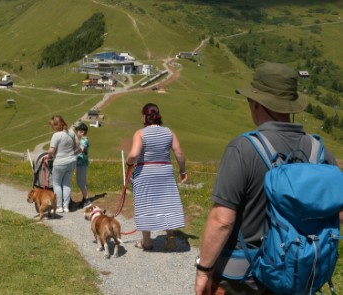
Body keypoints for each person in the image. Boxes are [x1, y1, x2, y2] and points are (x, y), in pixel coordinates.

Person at [194, 62, 342, 295]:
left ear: (256, 103)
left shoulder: (242, 148)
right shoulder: (319, 151)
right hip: (298, 276)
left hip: (243, 278)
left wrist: (203, 270)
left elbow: (222, 221)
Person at [125, 103, 188, 251]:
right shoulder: (169, 132)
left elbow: (134, 154)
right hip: (165, 172)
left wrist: (128, 162)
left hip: (145, 172)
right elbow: (179, 153)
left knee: (145, 206)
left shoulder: (140, 133)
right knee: (166, 202)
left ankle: (146, 242)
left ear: (144, 116)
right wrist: (182, 171)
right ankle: (170, 233)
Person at [48, 115, 77, 213]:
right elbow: (76, 146)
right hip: (72, 161)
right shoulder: (71, 132)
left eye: (53, 126)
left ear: (57, 125)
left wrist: (49, 155)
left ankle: (59, 206)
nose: (52, 128)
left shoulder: (56, 135)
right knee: (66, 184)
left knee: (56, 184)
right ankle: (66, 207)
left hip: (60, 162)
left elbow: (51, 151)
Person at [75, 122, 92, 208]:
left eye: (77, 130)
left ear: (82, 132)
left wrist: (73, 154)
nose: (76, 132)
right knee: (82, 181)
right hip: (82, 163)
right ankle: (84, 198)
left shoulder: (84, 140)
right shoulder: (84, 139)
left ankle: (87, 200)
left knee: (80, 182)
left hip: (81, 163)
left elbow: (81, 149)